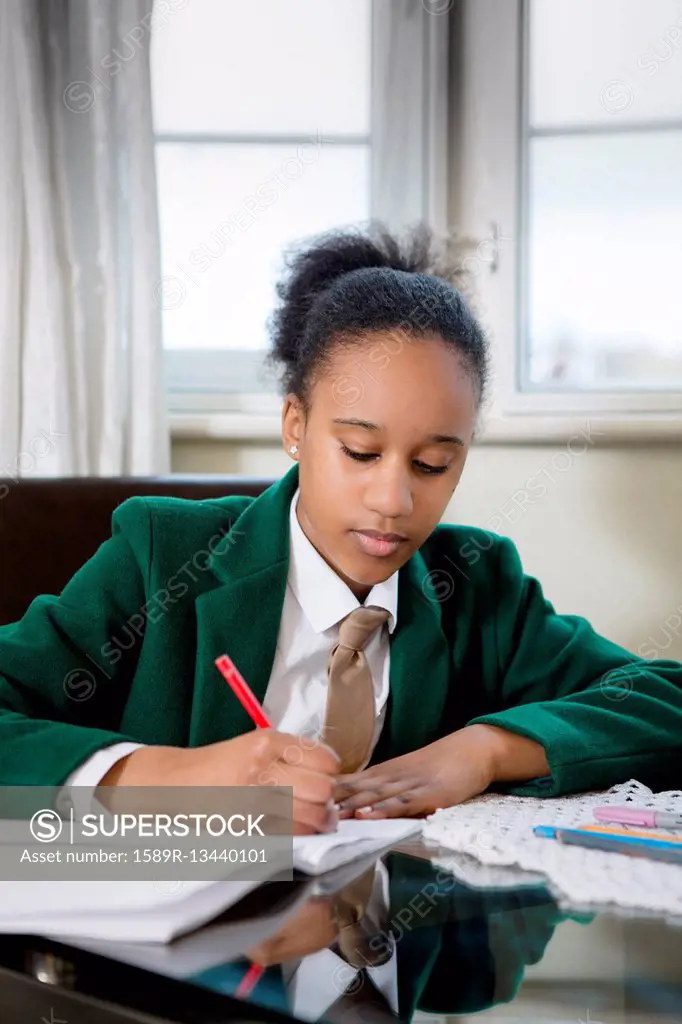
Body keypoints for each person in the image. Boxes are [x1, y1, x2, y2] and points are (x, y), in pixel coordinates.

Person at [1, 225, 681, 833]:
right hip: (165, 957)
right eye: (360, 452)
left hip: (394, 943)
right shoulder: (161, 557)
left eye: (434, 463)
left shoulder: (476, 585)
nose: (394, 499)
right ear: (295, 425)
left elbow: (662, 698)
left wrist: (484, 749)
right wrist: (169, 779)